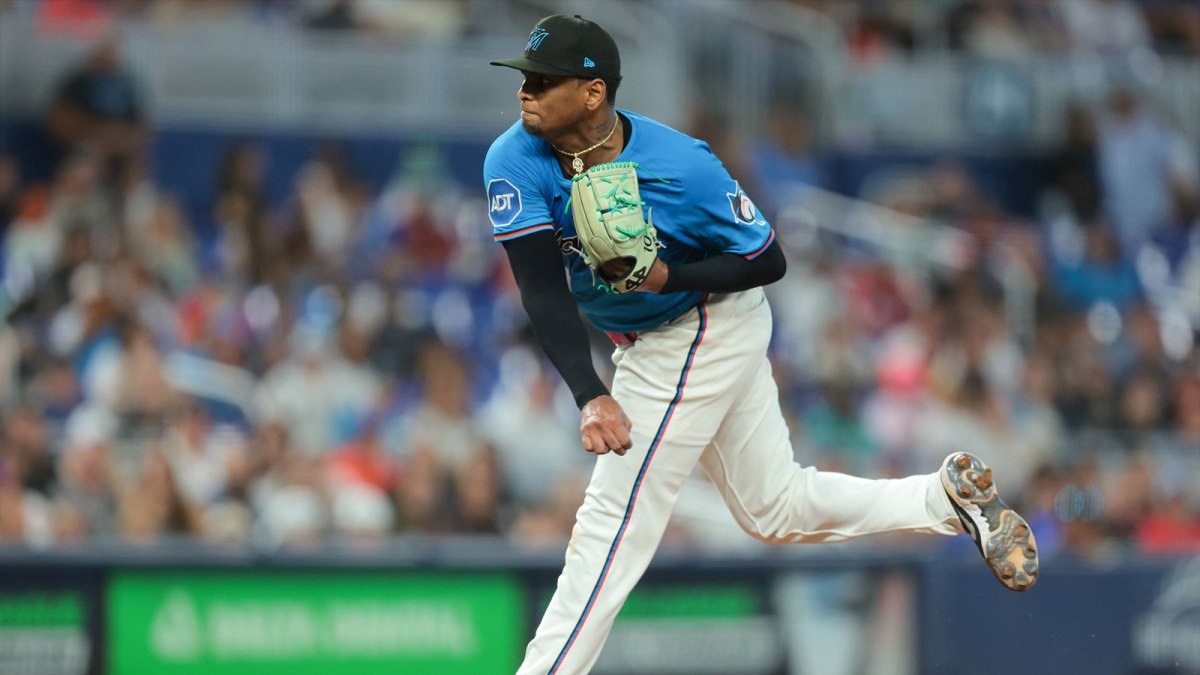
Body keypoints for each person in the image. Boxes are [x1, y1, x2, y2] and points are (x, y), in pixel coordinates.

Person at [484, 15, 1039, 674]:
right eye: (524, 78)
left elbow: (767, 259)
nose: (526, 91)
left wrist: (670, 274)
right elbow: (542, 292)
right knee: (774, 509)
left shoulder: (682, 165)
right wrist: (589, 391)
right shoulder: (512, 156)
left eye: (543, 81)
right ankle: (944, 500)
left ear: (594, 91)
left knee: (613, 519)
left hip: (703, 319)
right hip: (645, 337)